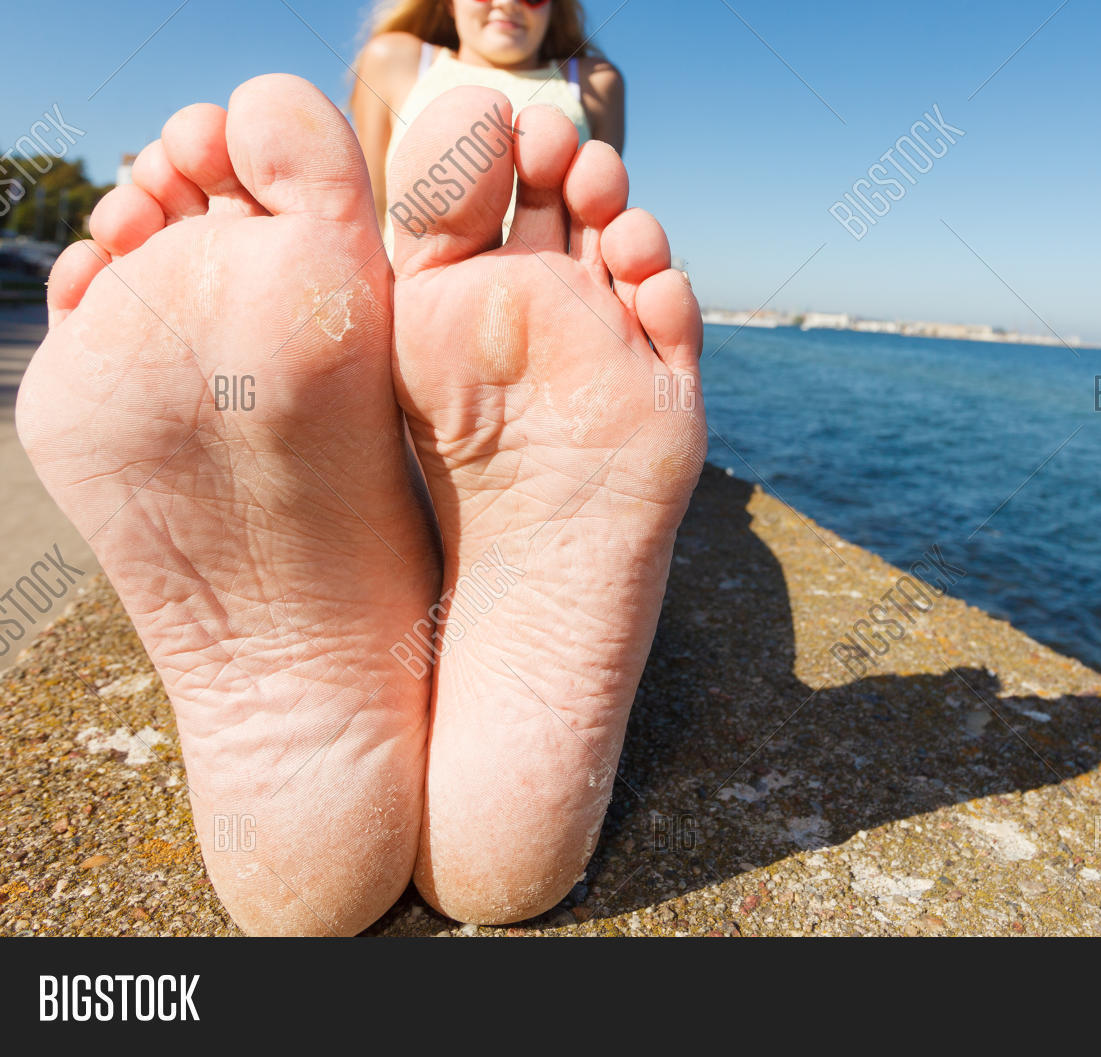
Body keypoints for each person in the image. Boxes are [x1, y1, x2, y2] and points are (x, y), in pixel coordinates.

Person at [19, 65, 703, 934]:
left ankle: (354, 574)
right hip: (411, 322)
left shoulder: (580, 76)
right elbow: (397, 177)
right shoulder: (414, 55)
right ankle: (487, 749)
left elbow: (359, 178)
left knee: (390, 409)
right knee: (411, 398)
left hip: (399, 335)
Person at [352, 0, 624, 242]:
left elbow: (596, 209)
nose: (508, 3)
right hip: (412, 277)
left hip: (544, 271)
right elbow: (370, 200)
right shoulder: (395, 60)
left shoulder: (592, 83)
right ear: (449, 3)